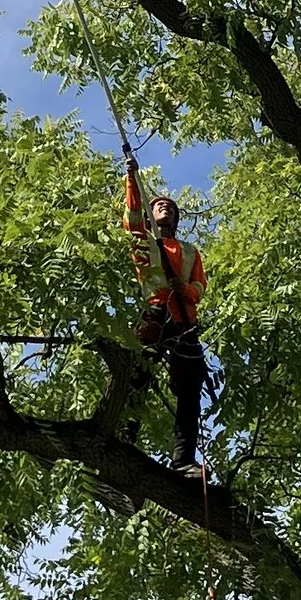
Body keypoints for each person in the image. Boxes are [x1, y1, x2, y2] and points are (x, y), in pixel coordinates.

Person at [124, 163, 207, 475]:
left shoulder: (188, 251)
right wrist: (132, 178)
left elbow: (199, 286)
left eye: (170, 208)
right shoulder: (145, 243)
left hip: (185, 321)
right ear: (151, 214)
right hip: (156, 312)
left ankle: (183, 460)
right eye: (159, 205)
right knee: (138, 375)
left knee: (190, 388)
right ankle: (124, 440)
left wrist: (184, 289)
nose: (165, 208)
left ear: (176, 219)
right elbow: (132, 218)